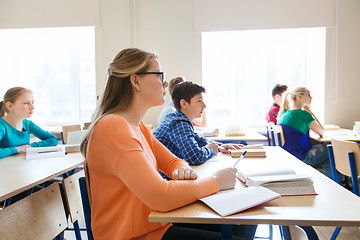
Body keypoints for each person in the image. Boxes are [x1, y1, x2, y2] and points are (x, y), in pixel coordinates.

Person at [80, 48, 244, 240]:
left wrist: (181, 169)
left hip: (156, 226)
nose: (165, 83)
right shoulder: (113, 127)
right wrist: (215, 182)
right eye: (159, 76)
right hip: (136, 235)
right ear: (135, 81)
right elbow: (161, 197)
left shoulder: (137, 127)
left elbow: (174, 162)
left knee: (240, 224)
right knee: (238, 229)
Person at [153, 81, 242, 166]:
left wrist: (219, 146)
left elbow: (198, 140)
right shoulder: (179, 123)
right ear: (184, 104)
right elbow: (195, 157)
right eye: (199, 100)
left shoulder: (176, 118)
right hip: (163, 177)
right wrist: (211, 149)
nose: (204, 105)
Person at [277, 86, 331, 178]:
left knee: (328, 160)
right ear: (299, 97)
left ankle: (331, 181)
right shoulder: (302, 114)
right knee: (331, 148)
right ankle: (335, 183)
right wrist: (311, 113)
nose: (311, 98)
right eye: (308, 95)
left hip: (287, 157)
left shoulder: (284, 113)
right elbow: (322, 132)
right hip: (300, 158)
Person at [0, 87, 58, 159]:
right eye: (26, 103)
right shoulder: (2, 125)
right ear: (10, 106)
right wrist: (17, 149)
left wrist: (30, 147)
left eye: (32, 102)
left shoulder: (28, 124)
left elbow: (53, 139)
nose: (33, 107)